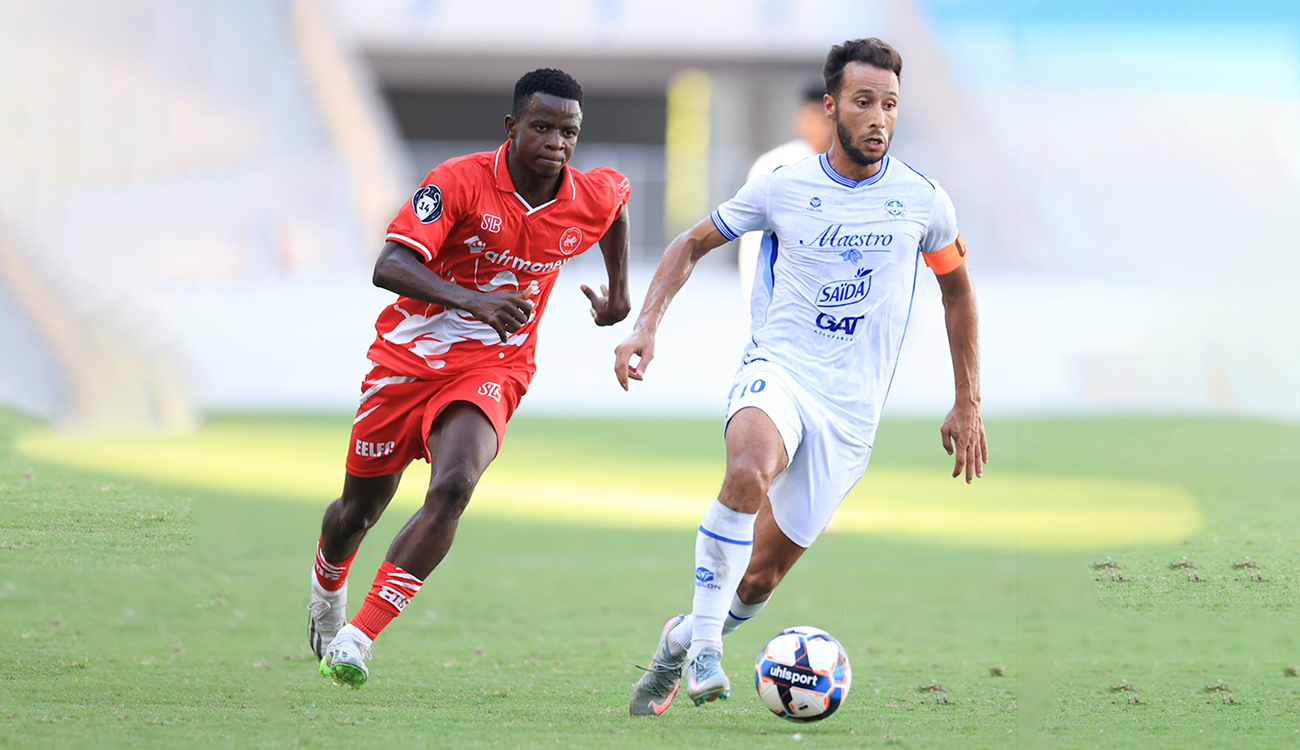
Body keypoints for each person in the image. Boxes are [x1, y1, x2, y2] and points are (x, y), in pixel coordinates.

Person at [614, 38, 986, 714]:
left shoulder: (923, 201)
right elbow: (690, 242)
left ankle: (676, 641)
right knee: (748, 468)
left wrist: (968, 401)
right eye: (864, 101)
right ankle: (703, 652)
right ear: (832, 105)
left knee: (757, 582)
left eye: (890, 105)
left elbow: (957, 292)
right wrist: (646, 326)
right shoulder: (784, 187)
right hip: (778, 371)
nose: (878, 117)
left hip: (851, 413)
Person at [308, 68, 632, 689]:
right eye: (541, 127)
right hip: (405, 363)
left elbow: (616, 205)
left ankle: (357, 639)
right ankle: (327, 595)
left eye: (569, 132)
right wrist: (471, 300)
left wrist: (619, 296)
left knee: (455, 484)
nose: (556, 142)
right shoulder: (457, 181)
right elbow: (390, 263)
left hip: (494, 366)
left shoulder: (586, 194)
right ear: (512, 129)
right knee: (357, 511)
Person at [737, 84, 834, 313]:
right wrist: (754, 302)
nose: (820, 126)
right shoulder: (775, 165)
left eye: (825, 118)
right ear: (801, 119)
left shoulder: (852, 170)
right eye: (813, 116)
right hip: (783, 299)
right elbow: (752, 243)